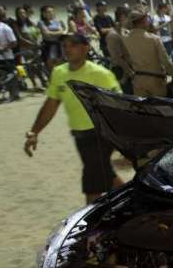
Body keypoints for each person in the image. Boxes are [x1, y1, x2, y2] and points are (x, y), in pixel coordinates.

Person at [24, 33, 124, 203]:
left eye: (73, 45)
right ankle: (137, 202)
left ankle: (91, 223)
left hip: (100, 134)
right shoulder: (59, 73)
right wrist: (34, 132)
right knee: (105, 175)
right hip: (80, 136)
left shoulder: (101, 74)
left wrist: (123, 141)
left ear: (85, 48)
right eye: (65, 46)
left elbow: (120, 107)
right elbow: (50, 105)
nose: (67, 49)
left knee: (92, 182)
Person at [122, 10, 173, 98]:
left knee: (143, 109)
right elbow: (166, 61)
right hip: (156, 80)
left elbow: (125, 59)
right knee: (160, 108)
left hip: (138, 80)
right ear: (144, 21)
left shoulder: (125, 39)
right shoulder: (154, 39)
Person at [105, 6, 132, 94]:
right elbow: (117, 58)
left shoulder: (125, 32)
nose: (131, 21)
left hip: (128, 70)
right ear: (122, 17)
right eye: (130, 17)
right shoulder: (112, 36)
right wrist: (129, 72)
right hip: (120, 71)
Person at [38, 5, 67, 71]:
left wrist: (51, 32)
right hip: (48, 46)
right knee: (51, 68)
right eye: (49, 12)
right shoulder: (41, 22)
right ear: (44, 13)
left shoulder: (57, 21)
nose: (51, 13)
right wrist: (57, 32)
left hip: (58, 44)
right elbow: (46, 34)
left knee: (61, 66)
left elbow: (61, 31)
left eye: (52, 11)